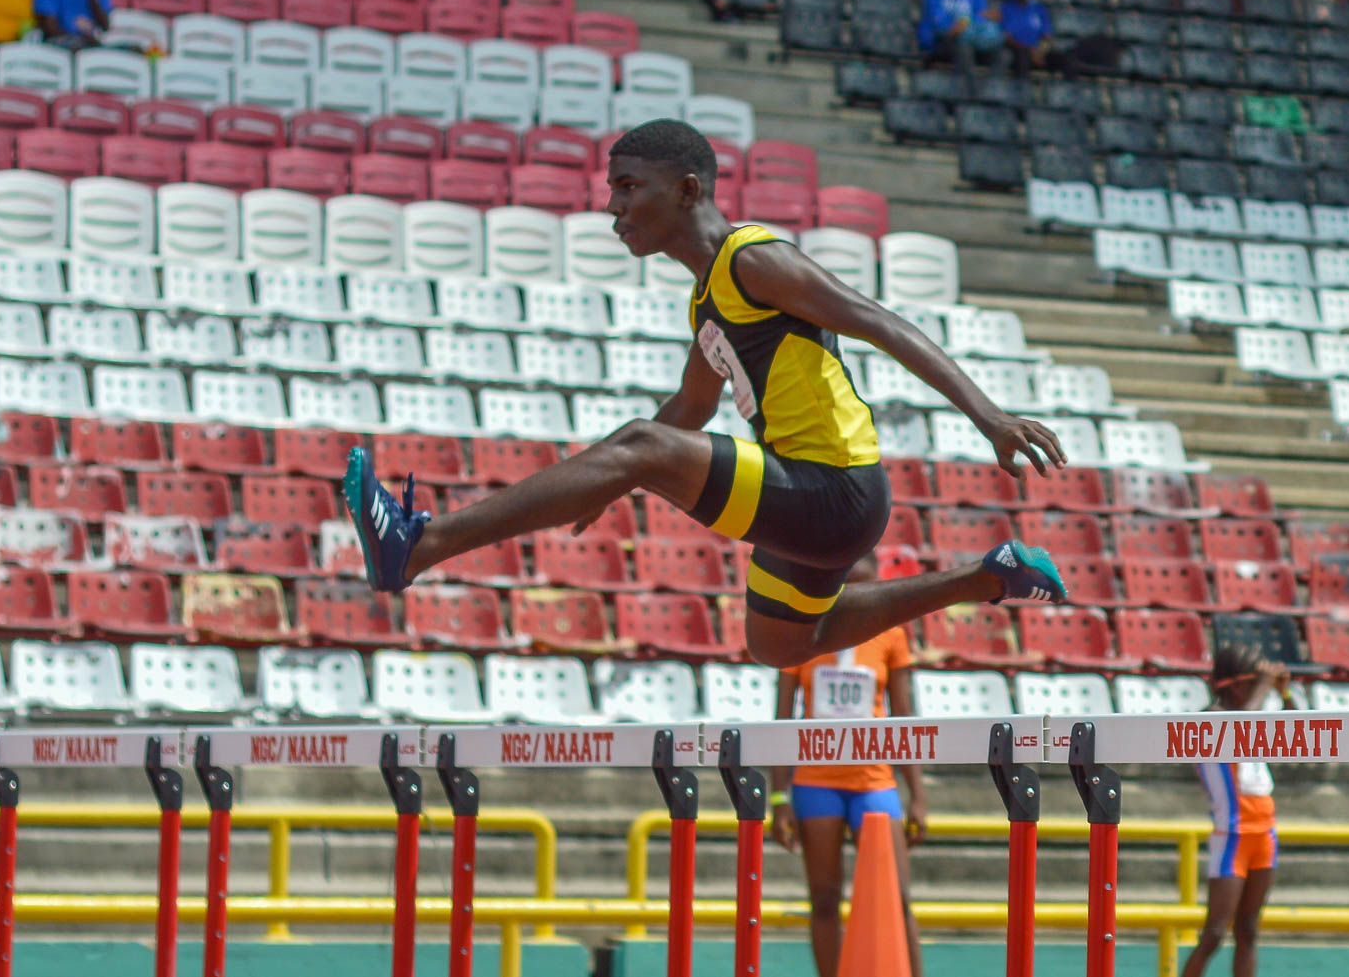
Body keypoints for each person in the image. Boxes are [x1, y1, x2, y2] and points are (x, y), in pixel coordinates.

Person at [343, 119, 1070, 670]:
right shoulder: (708, 301)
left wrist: (990, 417)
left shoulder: (754, 259)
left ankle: (420, 545)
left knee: (640, 444)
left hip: (834, 487)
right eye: (612, 189)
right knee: (781, 646)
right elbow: (691, 409)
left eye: (629, 186)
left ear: (687, 190)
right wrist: (600, 481)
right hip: (809, 504)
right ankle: (986, 577)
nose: (612, 206)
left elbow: (878, 320)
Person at [770, 551, 925, 977]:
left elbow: (904, 719)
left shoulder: (891, 636)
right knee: (824, 899)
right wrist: (779, 798)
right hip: (816, 782)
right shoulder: (801, 634)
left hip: (874, 781)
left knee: (898, 897)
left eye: (865, 588)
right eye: (847, 588)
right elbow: (781, 722)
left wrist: (918, 796)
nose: (857, 597)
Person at [1181, 644, 1290, 977]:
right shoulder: (1211, 718)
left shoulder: (1252, 713)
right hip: (1232, 837)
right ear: (1235, 685)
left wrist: (1283, 693)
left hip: (1264, 834)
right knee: (1214, 933)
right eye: (1252, 684)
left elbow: (1296, 727)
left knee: (1248, 930)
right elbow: (1240, 726)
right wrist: (1263, 686)